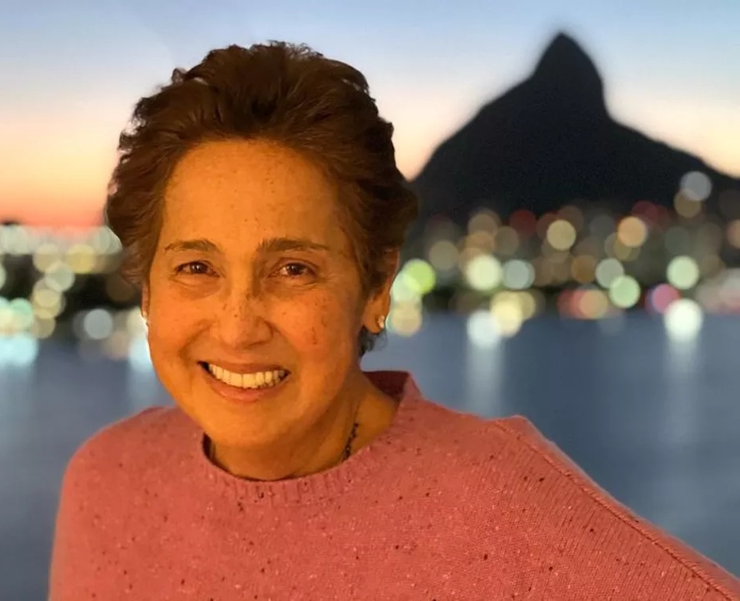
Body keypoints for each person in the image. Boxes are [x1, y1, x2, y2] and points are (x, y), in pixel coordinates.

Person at [48, 41, 740, 600]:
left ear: (376, 287)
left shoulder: (506, 509)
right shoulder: (105, 483)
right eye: (196, 267)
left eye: (293, 269)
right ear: (147, 287)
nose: (237, 326)